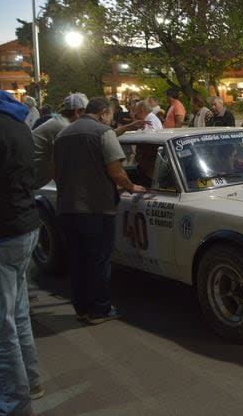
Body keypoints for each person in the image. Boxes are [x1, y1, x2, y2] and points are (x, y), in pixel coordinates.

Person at [0, 65, 44, 416]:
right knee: (16, 315)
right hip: (23, 226)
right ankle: (29, 382)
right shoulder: (15, 119)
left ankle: (12, 404)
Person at [54, 97, 146, 325]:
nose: (111, 120)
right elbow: (115, 171)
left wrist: (125, 128)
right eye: (111, 116)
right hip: (96, 208)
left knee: (77, 261)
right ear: (104, 113)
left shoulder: (63, 135)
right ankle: (99, 310)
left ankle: (82, 309)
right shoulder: (103, 132)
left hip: (67, 208)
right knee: (98, 261)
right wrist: (131, 186)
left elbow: (56, 171)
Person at [32, 92, 90, 188]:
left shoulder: (60, 121)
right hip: (31, 176)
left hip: (32, 174)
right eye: (86, 113)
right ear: (77, 112)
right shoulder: (64, 127)